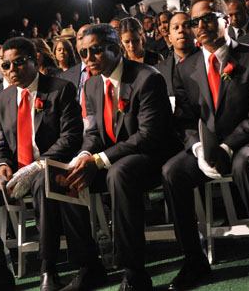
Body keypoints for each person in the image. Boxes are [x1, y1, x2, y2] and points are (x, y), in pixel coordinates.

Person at [163, 0, 249, 291]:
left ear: (225, 19)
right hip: (209, 146)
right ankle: (194, 260)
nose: (200, 26)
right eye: (194, 21)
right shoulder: (185, 67)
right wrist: (200, 149)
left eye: (207, 18)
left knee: (245, 164)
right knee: (172, 172)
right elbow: (185, 120)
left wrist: (227, 147)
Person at [0, 37, 105, 291]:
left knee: (42, 181)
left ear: (35, 60)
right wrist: (0, 166)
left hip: (52, 167)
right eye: (5, 65)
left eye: (18, 63)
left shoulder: (60, 89)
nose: (11, 70)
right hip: (17, 171)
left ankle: (48, 268)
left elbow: (71, 137)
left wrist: (38, 165)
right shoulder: (1, 99)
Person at [67, 24, 179, 291]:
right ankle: (89, 267)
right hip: (113, 158)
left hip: (153, 157)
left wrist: (99, 160)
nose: (88, 59)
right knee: (67, 177)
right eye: (83, 53)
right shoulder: (92, 84)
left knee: (120, 173)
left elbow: (148, 136)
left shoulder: (146, 77)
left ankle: (135, 272)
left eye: (95, 51)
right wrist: (85, 155)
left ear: (116, 49)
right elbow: (93, 132)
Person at [156, 12, 199, 96]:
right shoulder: (159, 70)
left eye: (186, 26)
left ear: (195, 31)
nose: (181, 30)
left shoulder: (209, 61)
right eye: (176, 27)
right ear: (170, 37)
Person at [58, 24, 91, 116]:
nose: (84, 41)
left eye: (88, 36)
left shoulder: (107, 71)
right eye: (80, 38)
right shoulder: (65, 76)